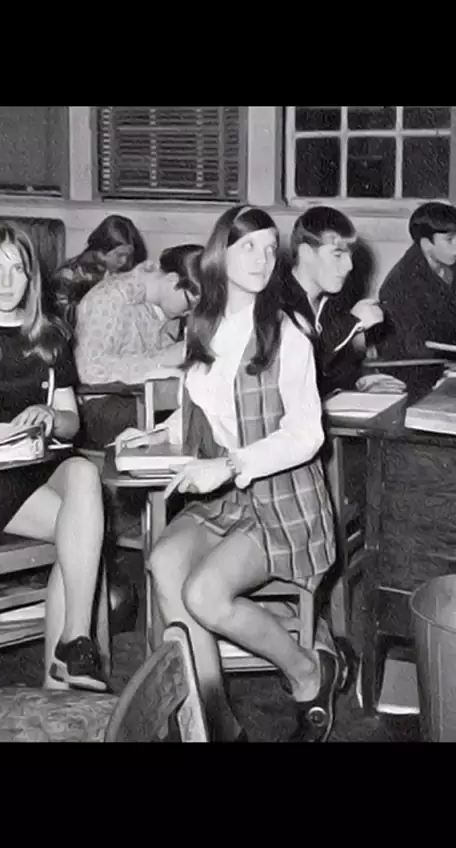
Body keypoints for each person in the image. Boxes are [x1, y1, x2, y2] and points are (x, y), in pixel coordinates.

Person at [116, 205, 348, 743]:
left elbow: (308, 434)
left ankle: (309, 671)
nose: (263, 259)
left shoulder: (287, 332)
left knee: (204, 595)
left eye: (269, 248)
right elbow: (206, 405)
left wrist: (229, 464)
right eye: (249, 247)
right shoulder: (205, 325)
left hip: (284, 502)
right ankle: (215, 722)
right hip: (231, 500)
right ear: (221, 254)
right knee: (163, 561)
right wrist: (153, 433)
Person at [0, 222, 109, 693]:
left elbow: (73, 424)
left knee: (84, 474)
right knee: (82, 538)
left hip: (44, 470)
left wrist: (52, 416)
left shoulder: (50, 336)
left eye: (17, 270)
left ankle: (74, 643)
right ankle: (65, 668)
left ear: (32, 278)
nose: (7, 281)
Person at [75, 243, 203, 448]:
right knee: (196, 419)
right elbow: (90, 370)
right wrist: (162, 360)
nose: (189, 314)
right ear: (172, 280)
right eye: (190, 305)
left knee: (208, 407)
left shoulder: (163, 307)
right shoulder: (109, 299)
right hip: (104, 404)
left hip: (145, 396)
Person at [282, 206, 384, 398]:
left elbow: (332, 372)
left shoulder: (331, 302)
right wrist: (352, 323)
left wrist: (360, 382)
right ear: (306, 253)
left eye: (350, 255)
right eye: (337, 255)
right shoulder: (278, 303)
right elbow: (299, 368)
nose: (349, 266)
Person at [374, 201, 456, 400]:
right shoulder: (399, 285)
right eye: (450, 239)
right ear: (426, 244)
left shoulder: (449, 261)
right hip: (414, 375)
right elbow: (417, 348)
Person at [49, 214, 148, 333]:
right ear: (101, 252)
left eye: (128, 256)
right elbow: (61, 322)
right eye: (120, 255)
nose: (124, 261)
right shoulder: (67, 276)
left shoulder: (119, 270)